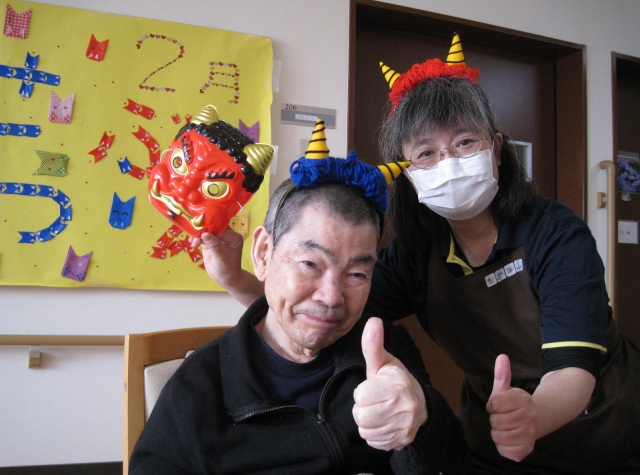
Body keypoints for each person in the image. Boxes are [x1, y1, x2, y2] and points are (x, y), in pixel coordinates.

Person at [199, 34, 640, 474]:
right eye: (426, 153)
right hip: (491, 439)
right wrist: (233, 277)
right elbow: (325, 313)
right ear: (409, 175)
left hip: (601, 432)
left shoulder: (555, 233)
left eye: (465, 142)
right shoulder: (415, 254)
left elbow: (573, 367)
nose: (448, 162)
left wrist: (533, 416)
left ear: (496, 150)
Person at [130, 124, 470, 474]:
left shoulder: (388, 354)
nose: (332, 297)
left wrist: (423, 419)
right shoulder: (199, 386)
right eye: (310, 264)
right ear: (263, 253)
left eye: (357, 274)